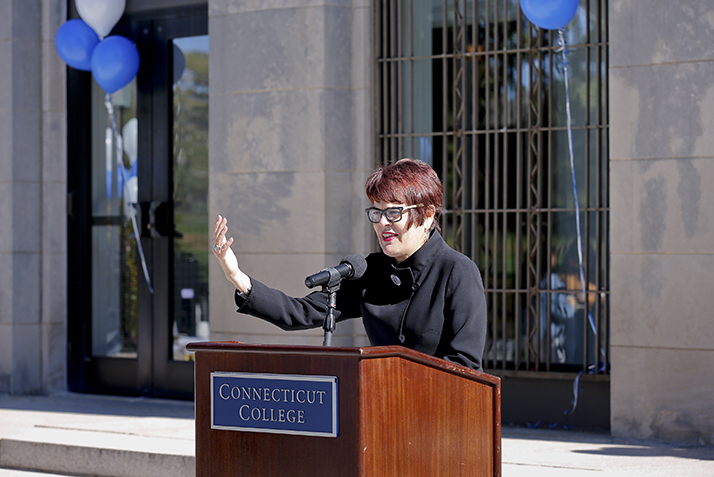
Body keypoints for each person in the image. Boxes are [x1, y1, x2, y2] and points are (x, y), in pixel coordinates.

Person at [212, 158, 488, 370]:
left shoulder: (456, 272)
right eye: (376, 212)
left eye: (393, 212)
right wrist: (237, 277)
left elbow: (464, 365)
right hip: (381, 414)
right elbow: (302, 312)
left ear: (428, 215)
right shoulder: (372, 271)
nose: (382, 224)